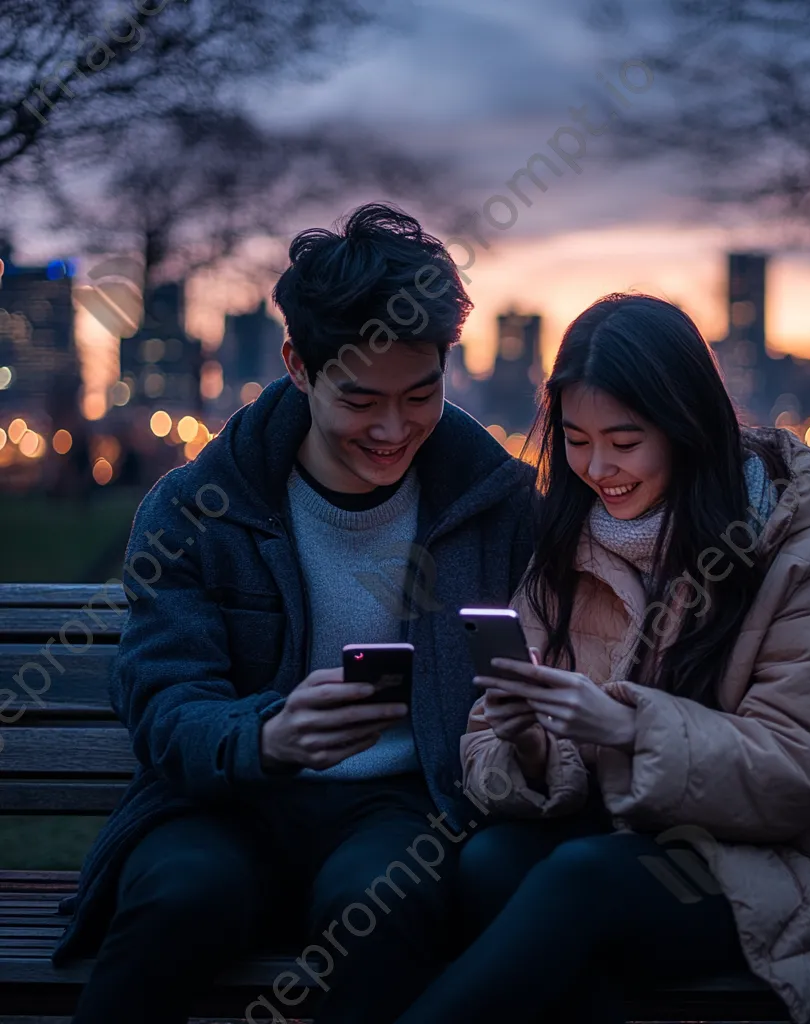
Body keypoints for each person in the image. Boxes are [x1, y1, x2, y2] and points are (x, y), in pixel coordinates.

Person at [55, 203, 537, 1024]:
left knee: (380, 907)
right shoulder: (199, 506)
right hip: (226, 799)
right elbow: (163, 703)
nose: (393, 429)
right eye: (361, 400)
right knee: (181, 897)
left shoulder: (497, 505)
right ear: (299, 366)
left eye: (421, 395)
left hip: (402, 803)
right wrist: (267, 737)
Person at [395, 293, 810, 1024]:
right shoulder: (564, 552)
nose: (597, 467)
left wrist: (629, 729)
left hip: (749, 871)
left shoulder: (802, 560)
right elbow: (485, 747)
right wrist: (527, 744)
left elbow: (804, 769)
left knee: (582, 880)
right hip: (597, 851)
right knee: (489, 864)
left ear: (688, 427)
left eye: (625, 442)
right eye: (577, 439)